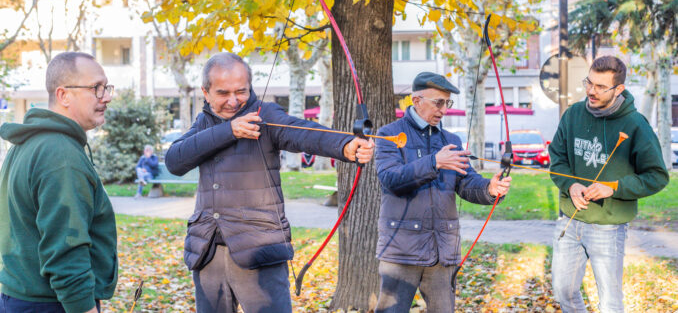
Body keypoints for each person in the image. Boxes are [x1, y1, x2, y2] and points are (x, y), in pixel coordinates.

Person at [164, 53, 374, 313]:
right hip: (208, 253)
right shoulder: (204, 122)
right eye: (223, 93)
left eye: (241, 91)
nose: (233, 100)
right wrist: (229, 131)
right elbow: (174, 160)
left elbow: (303, 132)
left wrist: (346, 145)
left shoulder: (265, 115)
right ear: (205, 93)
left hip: (259, 251)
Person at [374, 71, 512, 312]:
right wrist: (434, 162)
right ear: (416, 101)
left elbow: (466, 182)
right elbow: (390, 179)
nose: (444, 109)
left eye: (447, 103)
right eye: (438, 102)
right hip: (401, 251)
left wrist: (490, 189)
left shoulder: (450, 140)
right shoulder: (390, 134)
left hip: (442, 251)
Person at [549, 56, 669, 313]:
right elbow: (557, 160)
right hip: (571, 220)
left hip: (608, 227)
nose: (591, 91)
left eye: (601, 87)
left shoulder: (636, 125)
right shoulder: (573, 115)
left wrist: (613, 187)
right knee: (563, 291)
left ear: (619, 89)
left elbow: (657, 176)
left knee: (610, 303)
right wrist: (570, 186)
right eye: (589, 83)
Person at [0, 52, 117, 313]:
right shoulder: (60, 155)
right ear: (63, 95)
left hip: (18, 297)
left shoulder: (29, 143)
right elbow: (66, 250)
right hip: (51, 303)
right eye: (96, 88)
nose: (106, 96)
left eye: (106, 87)